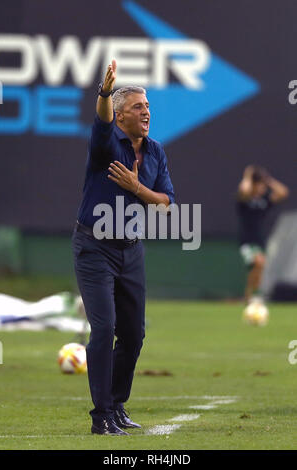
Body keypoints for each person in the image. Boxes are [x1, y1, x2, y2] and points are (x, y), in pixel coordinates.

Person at [72, 60, 175, 435]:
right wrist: (103, 93)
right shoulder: (105, 145)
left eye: (147, 107)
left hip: (131, 250)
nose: (146, 112)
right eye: (137, 107)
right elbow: (100, 122)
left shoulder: (156, 151)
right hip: (94, 247)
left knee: (134, 335)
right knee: (104, 329)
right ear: (119, 116)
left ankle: (116, 406)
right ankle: (100, 417)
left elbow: (165, 202)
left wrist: (136, 188)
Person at [236, 165, 289, 303]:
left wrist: (268, 180)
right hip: (247, 241)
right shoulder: (245, 200)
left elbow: (283, 192)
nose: (262, 188)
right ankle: (254, 295)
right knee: (258, 263)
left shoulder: (264, 201)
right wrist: (248, 176)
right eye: (260, 185)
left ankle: (249, 296)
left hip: (260, 241)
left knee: (257, 269)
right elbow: (244, 190)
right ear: (254, 185)